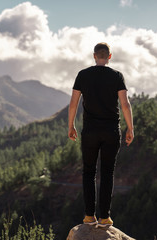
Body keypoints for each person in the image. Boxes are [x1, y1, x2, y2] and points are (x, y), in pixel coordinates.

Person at [68, 42, 134, 227]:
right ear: (109, 56)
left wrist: (71, 125)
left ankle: (89, 217)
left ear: (94, 55)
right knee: (107, 172)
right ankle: (105, 217)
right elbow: (125, 104)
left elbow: (73, 103)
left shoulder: (83, 75)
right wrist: (130, 128)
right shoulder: (117, 76)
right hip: (111, 131)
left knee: (88, 172)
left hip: (90, 131)